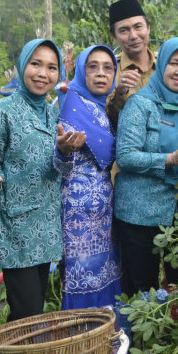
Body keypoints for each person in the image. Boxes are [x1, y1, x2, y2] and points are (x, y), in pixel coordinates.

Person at [0, 39, 86, 321]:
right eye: (35, 64)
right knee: (26, 314)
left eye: (51, 67)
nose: (42, 73)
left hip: (46, 227)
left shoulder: (52, 113)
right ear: (23, 65)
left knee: (36, 311)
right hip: (17, 231)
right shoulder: (0, 112)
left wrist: (65, 152)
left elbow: (59, 168)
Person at [113, 37, 178, 295]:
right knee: (140, 290)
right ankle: (140, 337)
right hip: (140, 213)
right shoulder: (141, 104)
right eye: (174, 63)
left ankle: (175, 335)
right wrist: (170, 159)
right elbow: (125, 156)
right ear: (161, 66)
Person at [56, 44, 122, 309]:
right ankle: (81, 341)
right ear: (81, 71)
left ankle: (110, 342)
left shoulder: (107, 110)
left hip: (106, 211)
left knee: (109, 273)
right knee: (79, 276)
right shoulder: (67, 103)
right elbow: (56, 161)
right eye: (92, 67)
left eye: (108, 68)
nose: (101, 73)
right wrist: (63, 151)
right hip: (76, 213)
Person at [106, 0, 157, 129]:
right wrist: (120, 93)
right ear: (113, 35)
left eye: (138, 27)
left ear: (148, 28)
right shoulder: (107, 71)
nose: (133, 36)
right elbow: (105, 120)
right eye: (124, 30)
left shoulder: (166, 65)